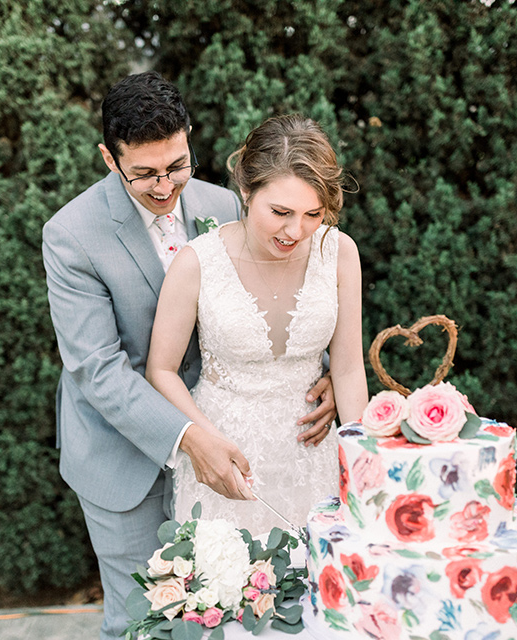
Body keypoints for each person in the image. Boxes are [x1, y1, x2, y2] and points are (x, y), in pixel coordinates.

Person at [41, 73, 336, 640]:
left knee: (236, 614)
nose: (163, 185)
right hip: (122, 456)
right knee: (145, 622)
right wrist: (189, 437)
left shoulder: (223, 201)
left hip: (232, 442)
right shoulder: (71, 235)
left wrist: (312, 372)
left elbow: (263, 304)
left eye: (175, 165)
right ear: (109, 157)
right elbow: (97, 368)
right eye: (144, 173)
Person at [146, 114, 369, 536]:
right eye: (280, 211)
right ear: (246, 191)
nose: (295, 230)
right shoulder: (197, 261)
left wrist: (362, 465)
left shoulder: (339, 253)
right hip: (225, 463)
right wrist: (202, 440)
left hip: (315, 459)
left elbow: (347, 368)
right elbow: (161, 370)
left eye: (312, 214)